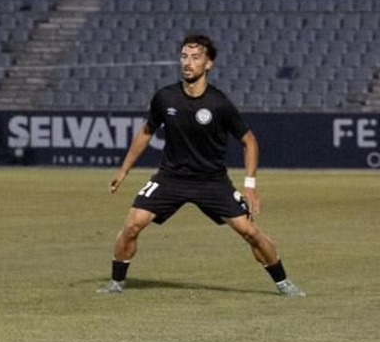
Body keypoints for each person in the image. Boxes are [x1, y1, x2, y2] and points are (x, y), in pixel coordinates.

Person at [103, 33, 301, 296]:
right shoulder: (165, 97)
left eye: (196, 58)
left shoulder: (219, 103)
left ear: (208, 64)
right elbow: (147, 131)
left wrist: (250, 185)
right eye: (184, 56)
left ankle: (283, 283)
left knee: (250, 232)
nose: (188, 62)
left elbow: (249, 140)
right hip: (171, 178)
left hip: (212, 181)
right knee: (131, 225)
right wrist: (123, 170)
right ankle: (116, 283)